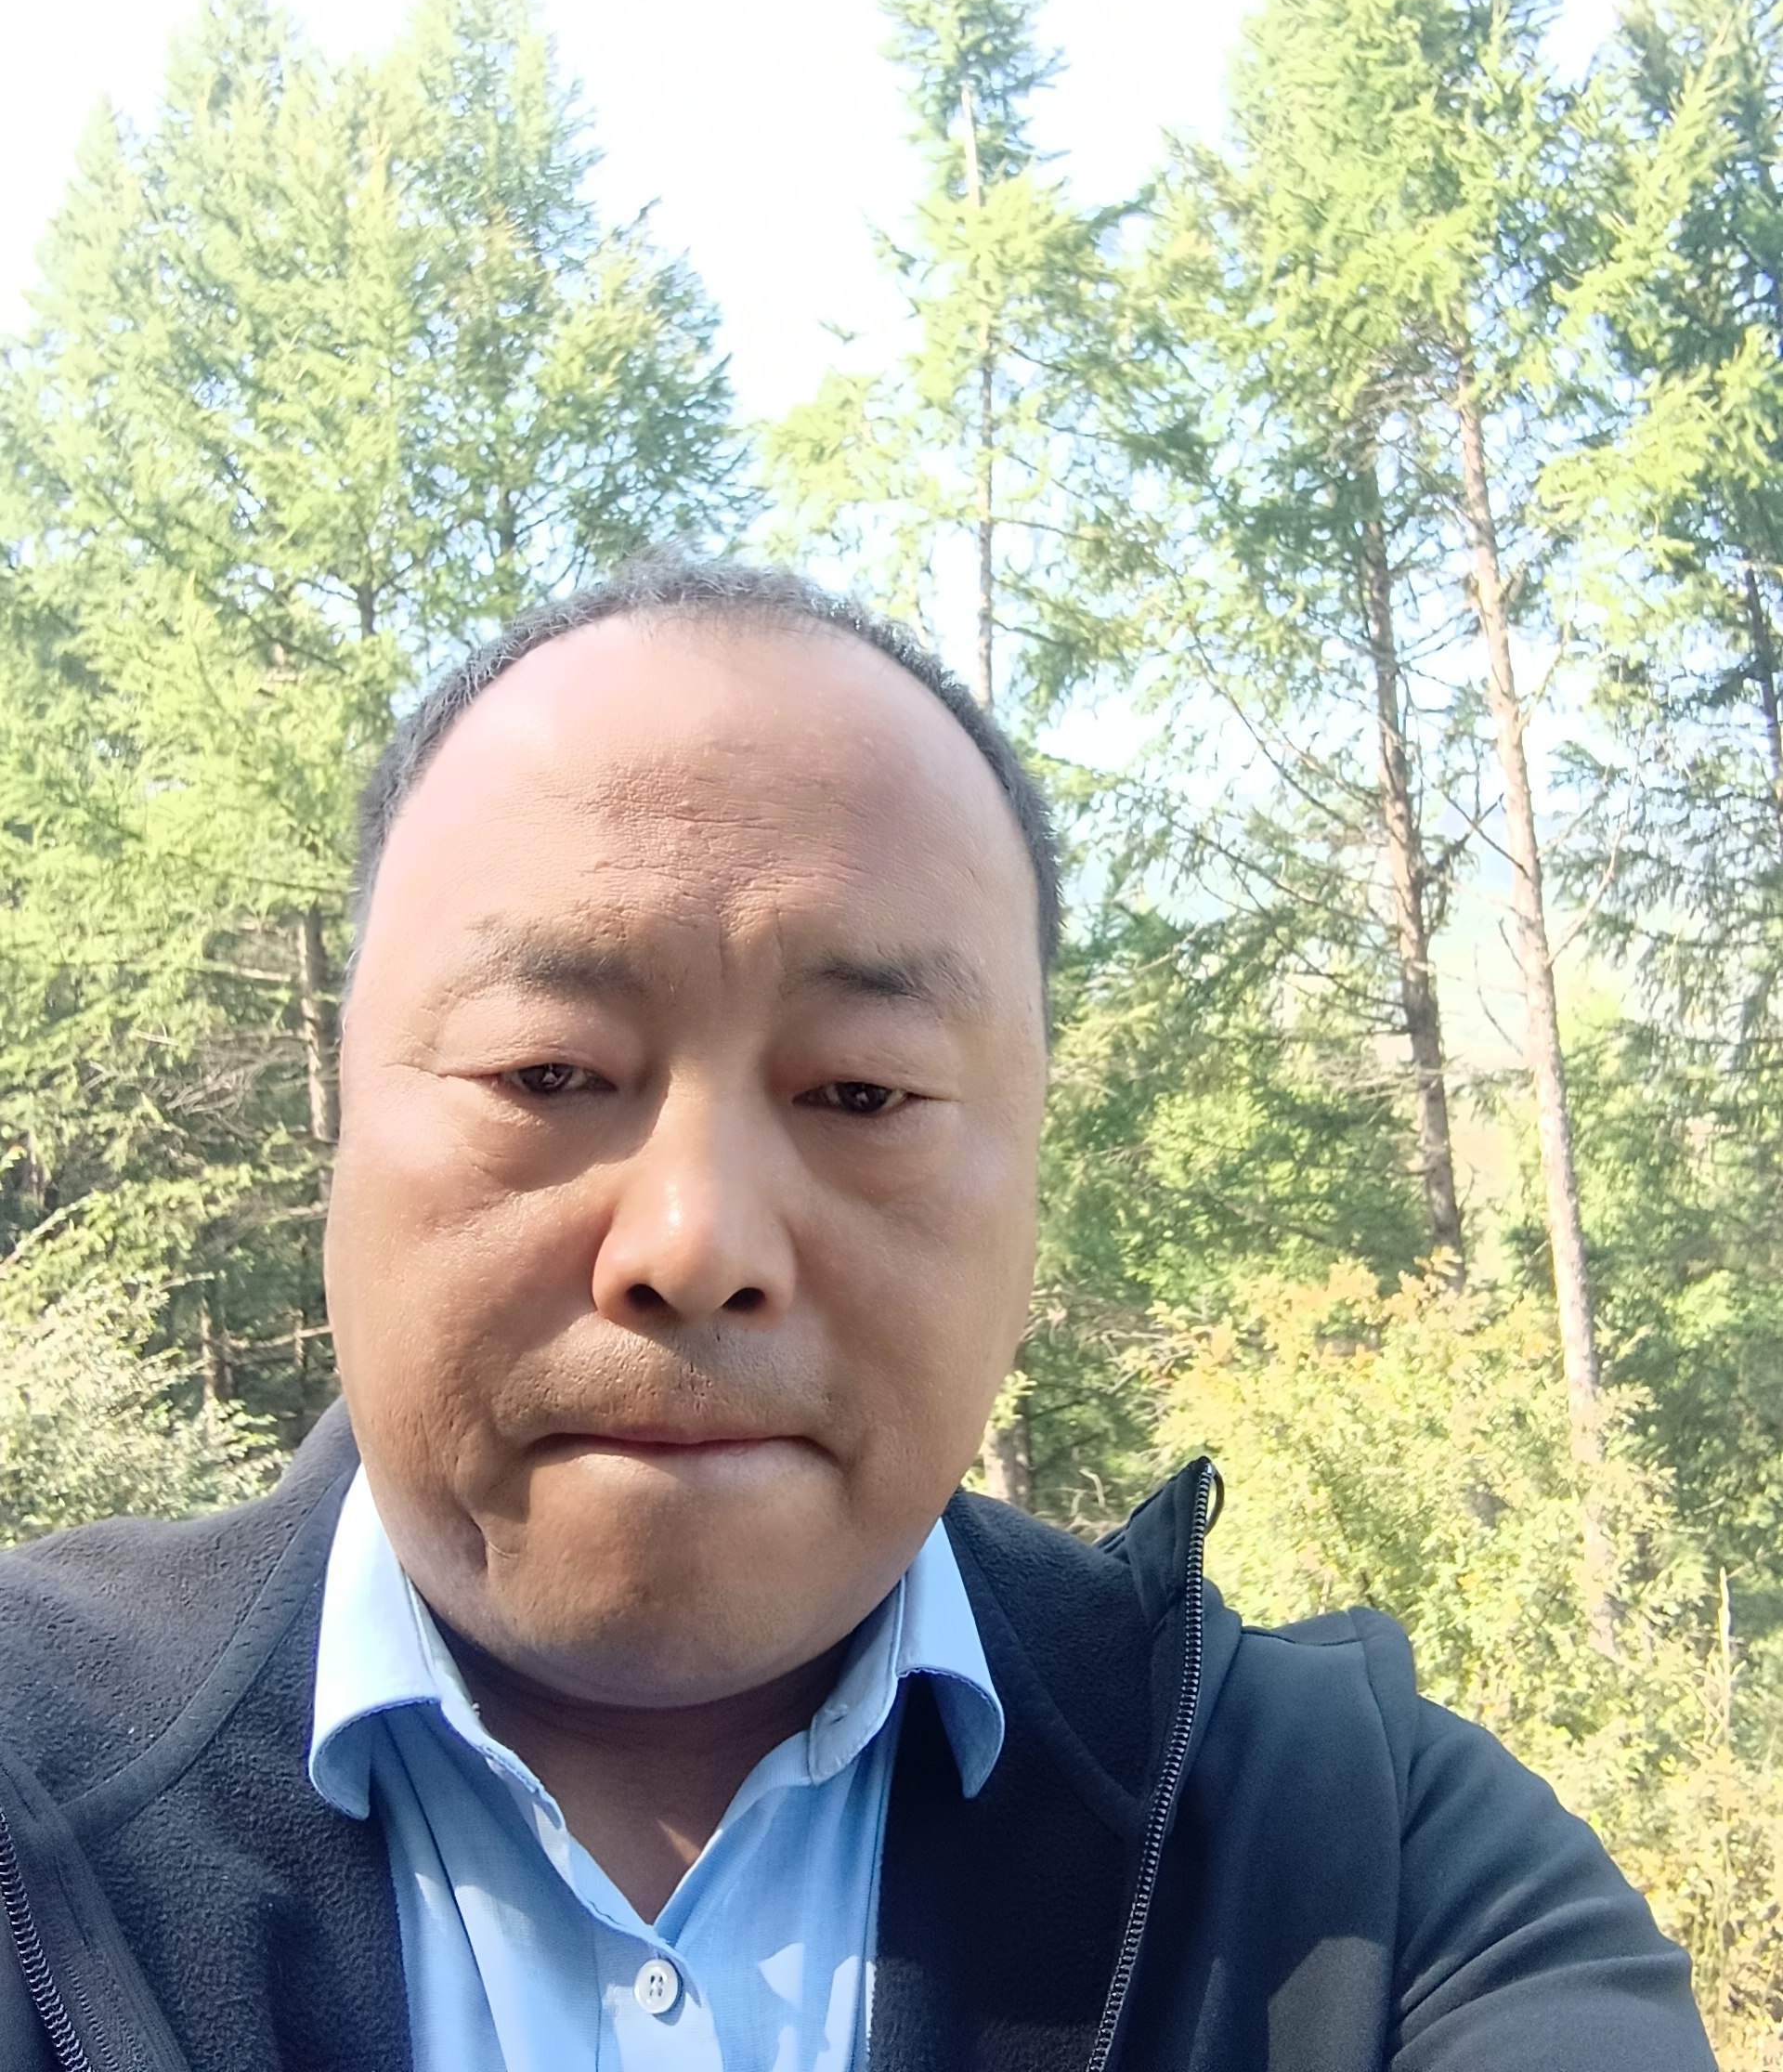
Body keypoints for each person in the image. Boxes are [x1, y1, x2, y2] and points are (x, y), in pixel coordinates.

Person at [0, 560, 1713, 2072]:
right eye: (547, 1072)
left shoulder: (1371, 1872)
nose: (694, 1244)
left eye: (866, 1093)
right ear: (343, 1132)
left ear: (1030, 1189)